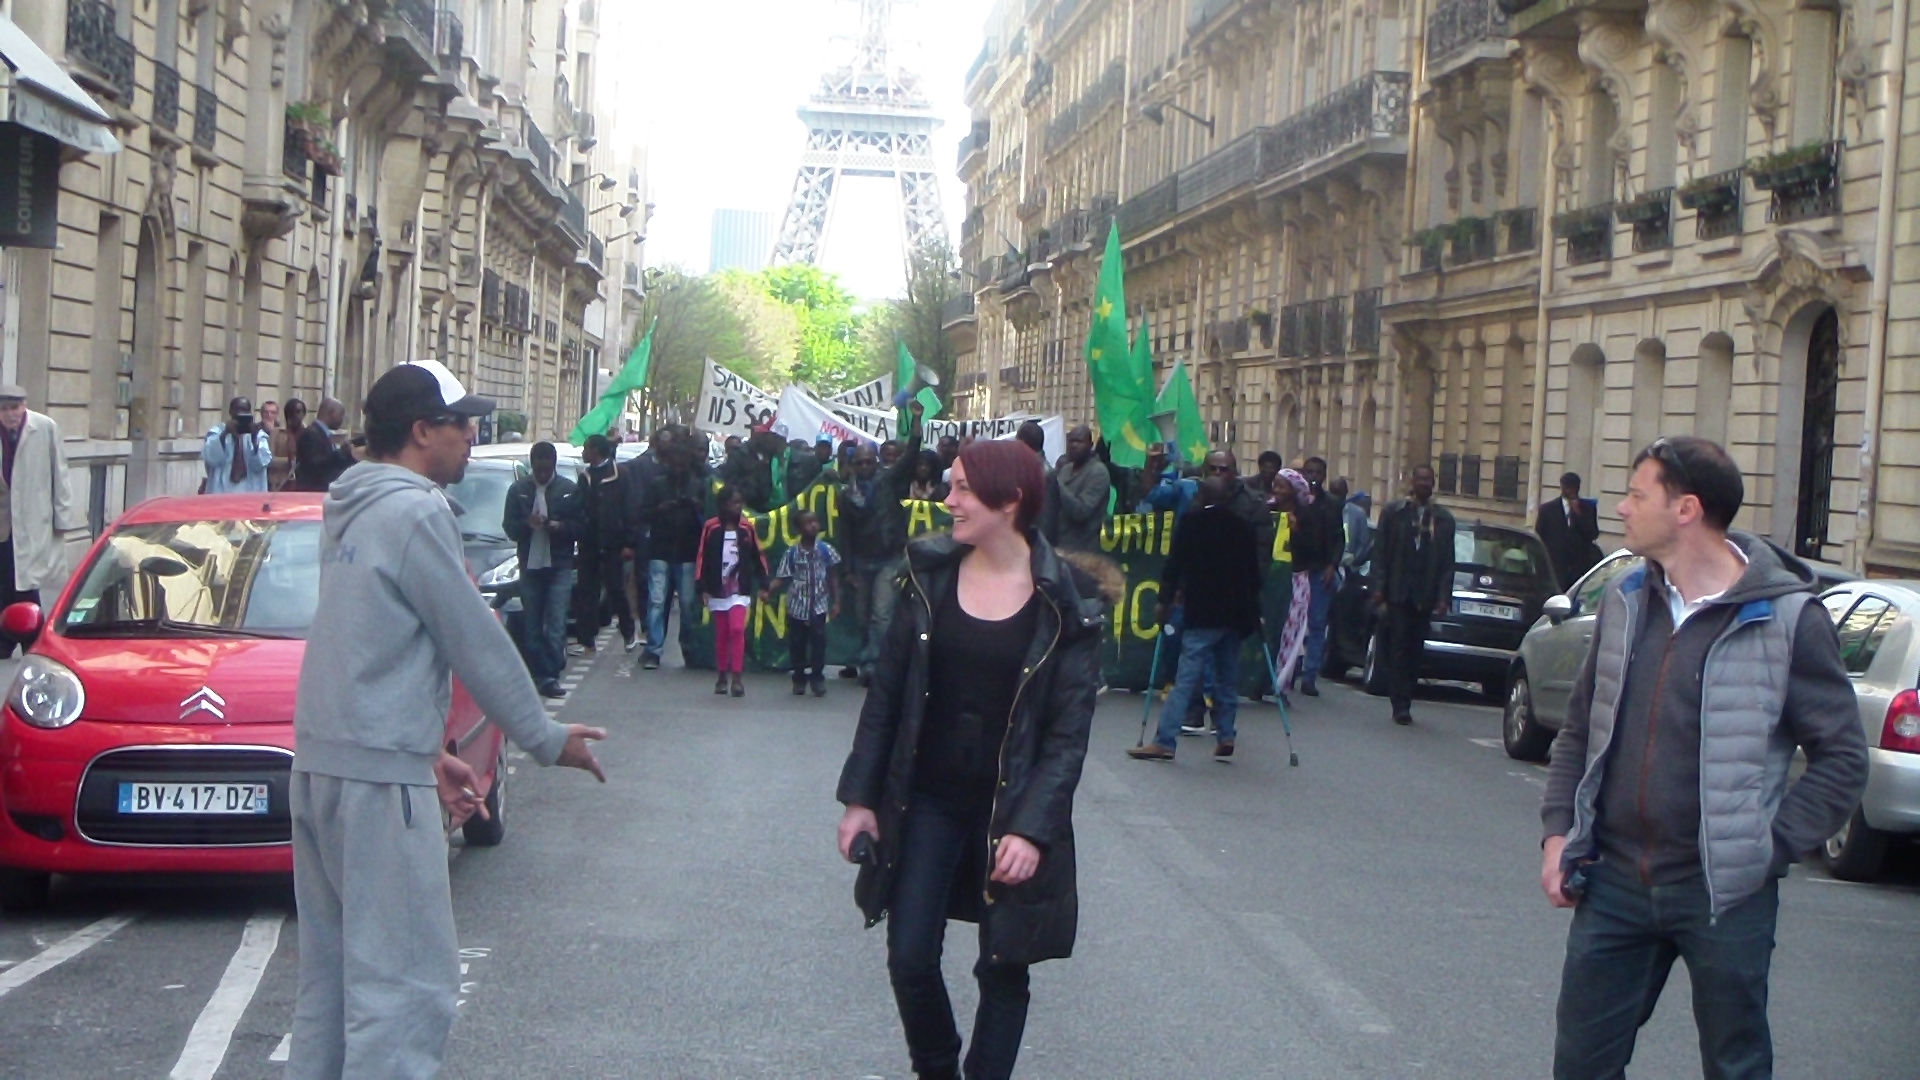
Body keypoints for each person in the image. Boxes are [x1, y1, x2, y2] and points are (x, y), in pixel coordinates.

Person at [288, 359, 606, 1080]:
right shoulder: (416, 510)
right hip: (377, 783)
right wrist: (547, 737)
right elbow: (473, 637)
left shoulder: (350, 503)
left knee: (332, 989)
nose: (473, 433)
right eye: (459, 421)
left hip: (324, 766)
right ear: (420, 430)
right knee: (405, 991)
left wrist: (429, 748)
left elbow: (364, 644)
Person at [1539, 435, 1867, 1080]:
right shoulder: (1626, 601)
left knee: (1735, 1064)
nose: (1624, 510)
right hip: (1615, 881)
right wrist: (1558, 834)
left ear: (1685, 509)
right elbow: (1580, 729)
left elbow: (1842, 759)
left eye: (1638, 495)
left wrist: (1766, 847)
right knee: (1581, 1064)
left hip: (1724, 891)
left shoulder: (1788, 618)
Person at [836, 438, 1105, 1080]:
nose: (945, 500)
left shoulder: (1065, 603)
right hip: (927, 799)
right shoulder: (928, 576)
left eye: (960, 489)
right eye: (949, 485)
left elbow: (1067, 739)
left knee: (1003, 966)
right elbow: (887, 699)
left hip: (1010, 811)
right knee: (909, 956)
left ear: (1009, 500)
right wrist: (860, 800)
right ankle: (936, 1067)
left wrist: (1032, 829)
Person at [1129, 475, 1263, 762]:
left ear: (1201, 497)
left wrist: (1164, 600)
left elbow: (1174, 565)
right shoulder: (1243, 528)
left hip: (1202, 612)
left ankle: (1165, 739)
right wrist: (1254, 611)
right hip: (1235, 614)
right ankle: (1226, 733)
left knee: (1186, 678)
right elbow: (1254, 574)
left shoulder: (1191, 524)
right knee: (1227, 677)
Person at [840, 407, 924, 683]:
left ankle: (873, 665)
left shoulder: (889, 481)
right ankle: (865, 658)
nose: (865, 468)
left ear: (876, 463)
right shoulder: (847, 495)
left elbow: (912, 454)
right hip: (862, 561)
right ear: (853, 466)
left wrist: (916, 421)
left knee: (881, 615)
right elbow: (846, 533)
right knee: (863, 618)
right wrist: (848, 568)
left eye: (869, 463)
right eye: (860, 463)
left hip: (889, 557)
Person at [1370, 465, 1456, 726]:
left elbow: (1447, 562)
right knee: (1398, 647)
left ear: (1433, 484)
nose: (1423, 484)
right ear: (1411, 482)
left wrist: (1444, 597)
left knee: (1415, 651)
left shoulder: (1443, 520)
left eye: (1428, 480)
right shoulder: (1394, 514)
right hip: (1398, 591)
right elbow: (1381, 553)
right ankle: (1399, 703)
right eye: (1419, 479)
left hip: (1424, 593)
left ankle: (1407, 693)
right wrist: (1378, 588)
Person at [0, 386, 78, 657]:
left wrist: (62, 517)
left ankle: (31, 636)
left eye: (15, 407)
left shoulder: (43, 427)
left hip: (34, 518)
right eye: (4, 409)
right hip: (4, 520)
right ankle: (8, 639)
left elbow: (60, 473)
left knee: (26, 582)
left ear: (24, 406)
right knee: (6, 579)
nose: (10, 414)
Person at [502, 441, 582, 699]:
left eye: (547, 470)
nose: (543, 475)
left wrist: (558, 526)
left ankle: (551, 675)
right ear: (532, 466)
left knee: (557, 621)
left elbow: (581, 526)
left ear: (554, 466)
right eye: (538, 470)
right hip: (530, 564)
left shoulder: (568, 490)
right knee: (533, 622)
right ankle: (537, 674)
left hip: (558, 563)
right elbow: (510, 528)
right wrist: (528, 524)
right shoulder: (518, 490)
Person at [641, 440, 707, 671]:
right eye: (675, 463)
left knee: (687, 603)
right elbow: (643, 514)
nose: (678, 468)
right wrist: (660, 509)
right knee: (657, 601)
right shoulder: (658, 486)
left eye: (682, 464)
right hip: (661, 549)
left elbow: (706, 518)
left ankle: (687, 646)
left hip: (687, 550)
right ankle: (654, 649)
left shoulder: (697, 486)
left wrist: (696, 506)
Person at [696, 484, 767, 697]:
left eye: (739, 503)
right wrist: (702, 586)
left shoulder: (746, 528)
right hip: (717, 588)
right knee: (722, 633)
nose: (737, 508)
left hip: (739, 587)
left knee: (737, 629)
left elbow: (758, 555)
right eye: (733, 503)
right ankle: (722, 674)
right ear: (723, 505)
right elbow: (702, 557)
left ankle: (737, 676)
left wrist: (764, 582)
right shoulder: (711, 528)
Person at [761, 509, 841, 696]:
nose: (813, 525)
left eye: (815, 521)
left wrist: (837, 602)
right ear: (799, 529)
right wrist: (768, 591)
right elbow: (782, 577)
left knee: (819, 644)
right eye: (808, 523)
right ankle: (798, 677)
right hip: (797, 607)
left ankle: (817, 678)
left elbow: (833, 577)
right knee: (797, 644)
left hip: (818, 606)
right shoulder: (792, 554)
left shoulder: (826, 551)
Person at [575, 434, 639, 654]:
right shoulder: (585, 477)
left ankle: (629, 632)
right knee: (587, 592)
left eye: (586, 448)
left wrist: (629, 542)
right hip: (588, 543)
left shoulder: (620, 475)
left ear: (595, 451)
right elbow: (578, 507)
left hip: (613, 544)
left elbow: (630, 510)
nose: (583, 452)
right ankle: (587, 638)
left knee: (615, 590)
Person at [1293, 455, 1342, 696]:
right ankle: (1289, 671)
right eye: (1308, 472)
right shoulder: (1297, 502)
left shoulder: (1332, 504)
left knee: (1316, 623)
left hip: (1321, 570)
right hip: (1298, 568)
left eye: (1317, 473)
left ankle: (1310, 676)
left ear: (1324, 476)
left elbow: (1338, 538)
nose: (1312, 477)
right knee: (1292, 622)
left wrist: (1333, 565)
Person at [1266, 470, 1314, 698]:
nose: (1276, 490)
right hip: (1270, 578)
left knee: (1289, 631)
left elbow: (1313, 550)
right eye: (1275, 485)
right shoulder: (1266, 511)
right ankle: (1259, 680)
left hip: (1295, 578)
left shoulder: (1306, 516)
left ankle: (1281, 682)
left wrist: (1296, 531)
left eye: (1281, 486)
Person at [1536, 470, 1603, 592]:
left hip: (1579, 566)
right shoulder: (1547, 509)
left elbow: (1593, 534)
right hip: (1556, 565)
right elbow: (1540, 535)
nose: (1572, 491)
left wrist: (1579, 514)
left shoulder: (1587, 508)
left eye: (1574, 488)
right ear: (1562, 487)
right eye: (1568, 488)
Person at [1053, 424, 1111, 553]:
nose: (1073, 446)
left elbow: (1081, 511)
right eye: (1070, 441)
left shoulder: (1098, 472)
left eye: (1078, 441)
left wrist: (1056, 483)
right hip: (1060, 543)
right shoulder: (1066, 469)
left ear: (1090, 445)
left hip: (1083, 548)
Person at [203, 396, 274, 494]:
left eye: (244, 410)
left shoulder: (258, 435)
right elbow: (210, 458)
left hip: (249, 491)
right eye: (237, 409)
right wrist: (224, 434)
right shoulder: (217, 432)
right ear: (230, 411)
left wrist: (254, 439)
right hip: (222, 491)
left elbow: (262, 463)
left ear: (249, 412)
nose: (240, 413)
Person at [290, 398, 357, 492]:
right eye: (341, 414)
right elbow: (314, 466)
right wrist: (340, 452)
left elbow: (332, 464)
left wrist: (349, 456)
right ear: (331, 412)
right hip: (312, 494)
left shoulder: (323, 434)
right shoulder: (310, 433)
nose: (342, 419)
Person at [1015, 420, 1060, 545]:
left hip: (1034, 544)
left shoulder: (1044, 473)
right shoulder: (1026, 468)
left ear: (1023, 443)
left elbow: (1046, 519)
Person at [269, 399, 303, 490]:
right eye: (291, 412)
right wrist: (291, 462)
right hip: (279, 484)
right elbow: (269, 459)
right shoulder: (276, 433)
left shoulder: (309, 433)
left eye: (299, 412)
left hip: (302, 484)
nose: (296, 416)